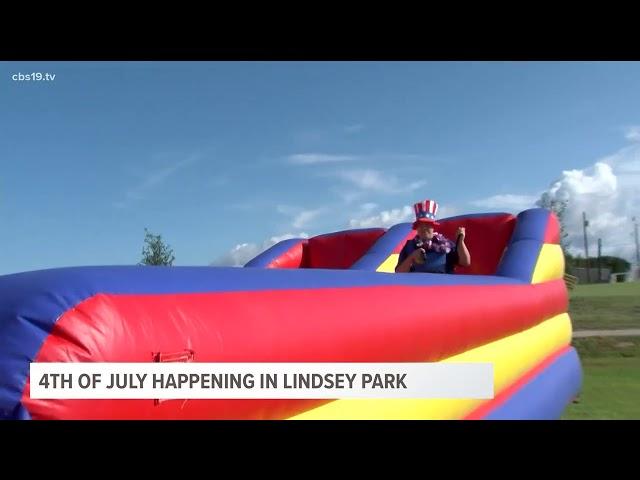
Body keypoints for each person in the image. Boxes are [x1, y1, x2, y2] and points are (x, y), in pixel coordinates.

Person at [395, 199, 471, 273]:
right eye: (420, 225)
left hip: (441, 284)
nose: (424, 228)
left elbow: (465, 262)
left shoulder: (447, 245)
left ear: (433, 227)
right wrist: (411, 258)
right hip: (417, 284)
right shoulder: (409, 246)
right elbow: (398, 272)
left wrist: (460, 241)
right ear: (416, 228)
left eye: (427, 225)